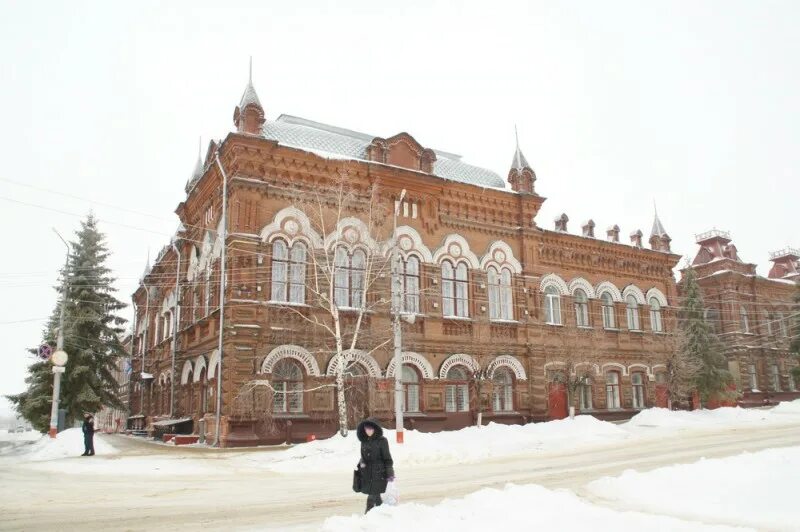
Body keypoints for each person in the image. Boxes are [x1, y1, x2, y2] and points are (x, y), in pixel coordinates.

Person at [356, 417, 395, 513]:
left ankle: (367, 517)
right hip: (368, 475)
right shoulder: (364, 442)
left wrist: (390, 474)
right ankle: (382, 516)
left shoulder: (382, 441)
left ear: (375, 429)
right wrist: (361, 463)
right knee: (377, 499)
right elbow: (363, 457)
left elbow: (387, 458)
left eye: (370, 429)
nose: (367, 431)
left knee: (371, 498)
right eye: (366, 429)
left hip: (379, 474)